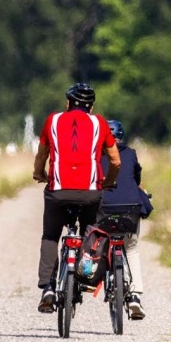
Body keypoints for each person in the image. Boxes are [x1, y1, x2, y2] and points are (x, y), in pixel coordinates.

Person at [31, 83, 120, 312]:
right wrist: (108, 181)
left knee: (51, 236)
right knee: (89, 232)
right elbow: (115, 160)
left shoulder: (52, 120)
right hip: (91, 192)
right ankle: (84, 274)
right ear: (91, 106)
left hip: (58, 191)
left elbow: (42, 153)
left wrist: (38, 173)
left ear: (68, 103)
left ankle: (48, 287)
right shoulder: (99, 123)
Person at [99, 119, 151, 320]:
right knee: (131, 248)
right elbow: (136, 179)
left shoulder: (96, 155)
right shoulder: (131, 154)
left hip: (103, 209)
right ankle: (135, 297)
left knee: (103, 242)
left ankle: (109, 277)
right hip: (130, 209)